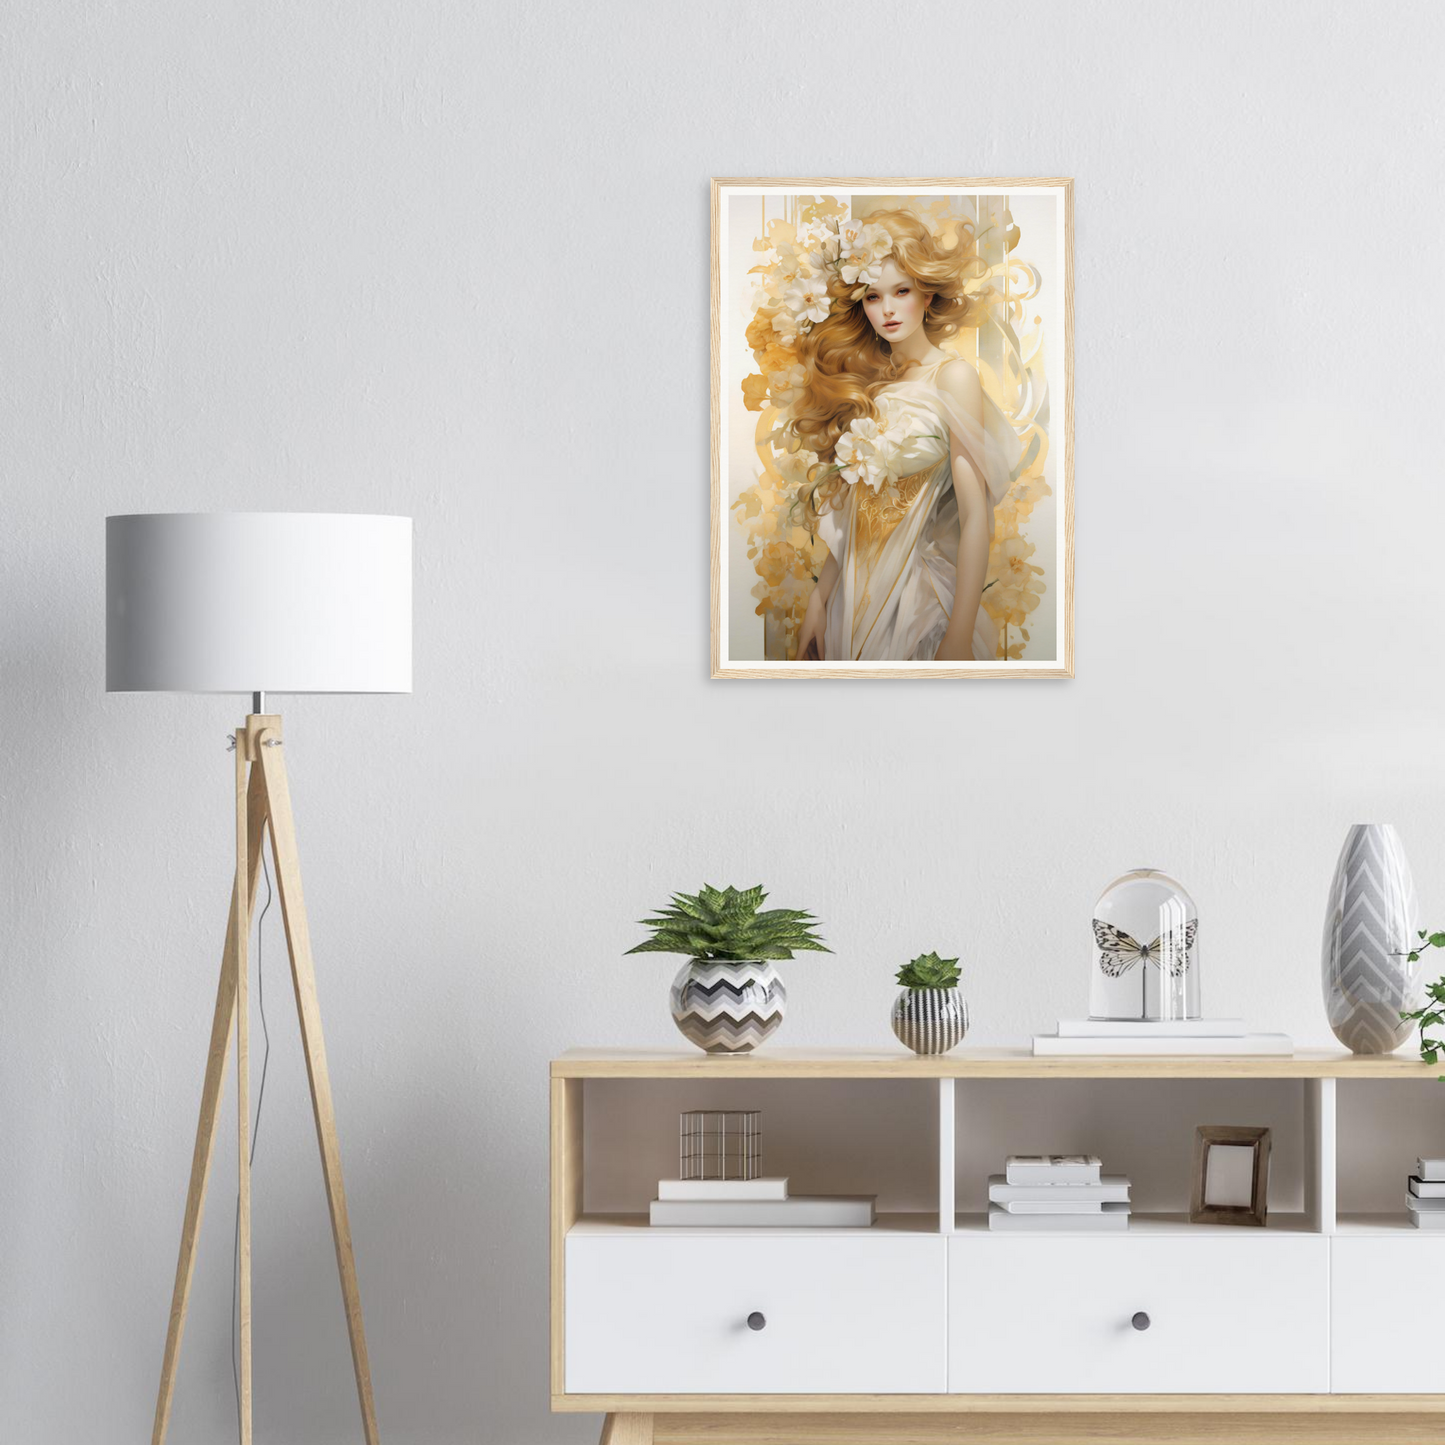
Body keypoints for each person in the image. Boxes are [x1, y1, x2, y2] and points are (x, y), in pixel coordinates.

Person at [788, 209, 1021, 663]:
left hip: (914, 604)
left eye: (902, 291)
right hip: (847, 602)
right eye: (873, 297)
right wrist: (819, 601)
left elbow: (976, 517)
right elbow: (854, 510)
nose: (888, 309)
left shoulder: (952, 378)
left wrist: (960, 634)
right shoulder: (870, 384)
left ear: (927, 294)